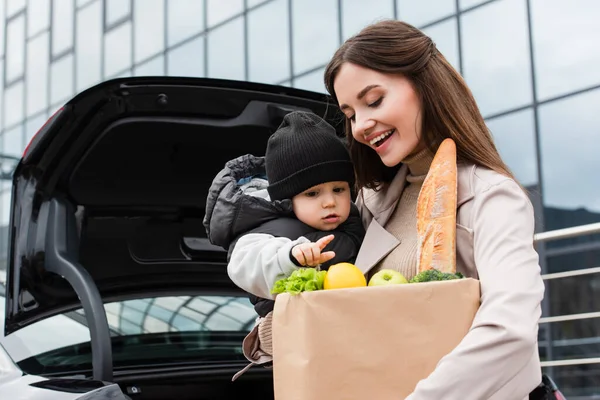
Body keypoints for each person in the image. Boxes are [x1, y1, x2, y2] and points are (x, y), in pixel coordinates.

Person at [322, 19, 546, 400]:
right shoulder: (368, 202)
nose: (361, 125)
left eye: (373, 101)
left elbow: (509, 330)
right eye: (351, 113)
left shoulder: (493, 197)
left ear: (425, 87)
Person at [204, 110, 365, 377]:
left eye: (339, 189)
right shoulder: (264, 230)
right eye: (312, 193)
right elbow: (245, 264)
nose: (329, 201)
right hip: (300, 355)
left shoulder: (355, 220)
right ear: (287, 199)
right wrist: (291, 256)